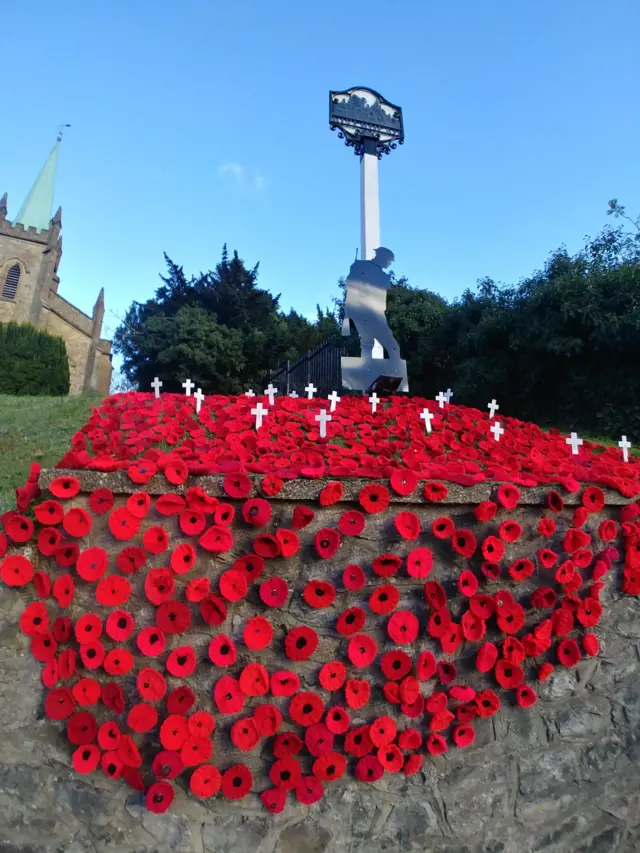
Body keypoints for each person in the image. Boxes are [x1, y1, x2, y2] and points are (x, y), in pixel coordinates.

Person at [342, 247, 401, 361]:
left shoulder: (382, 275)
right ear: (382, 258)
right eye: (389, 261)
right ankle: (369, 367)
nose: (389, 264)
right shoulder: (360, 266)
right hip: (363, 311)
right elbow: (350, 283)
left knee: (384, 344)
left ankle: (389, 369)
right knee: (370, 342)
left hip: (375, 313)